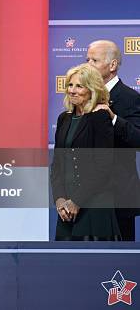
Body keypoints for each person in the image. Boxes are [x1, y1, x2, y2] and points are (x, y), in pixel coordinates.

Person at [50, 63, 120, 240]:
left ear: (92, 90)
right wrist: (59, 200)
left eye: (79, 86)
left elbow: (104, 167)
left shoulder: (99, 117)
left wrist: (77, 201)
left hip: (94, 206)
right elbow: (57, 164)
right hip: (66, 210)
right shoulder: (64, 118)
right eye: (70, 85)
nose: (72, 91)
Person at [87, 39, 140, 240]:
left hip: (118, 194)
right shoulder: (83, 95)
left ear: (112, 65)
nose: (88, 65)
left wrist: (114, 119)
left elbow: (137, 138)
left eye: (94, 60)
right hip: (87, 194)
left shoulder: (129, 98)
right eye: (87, 60)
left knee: (119, 261)